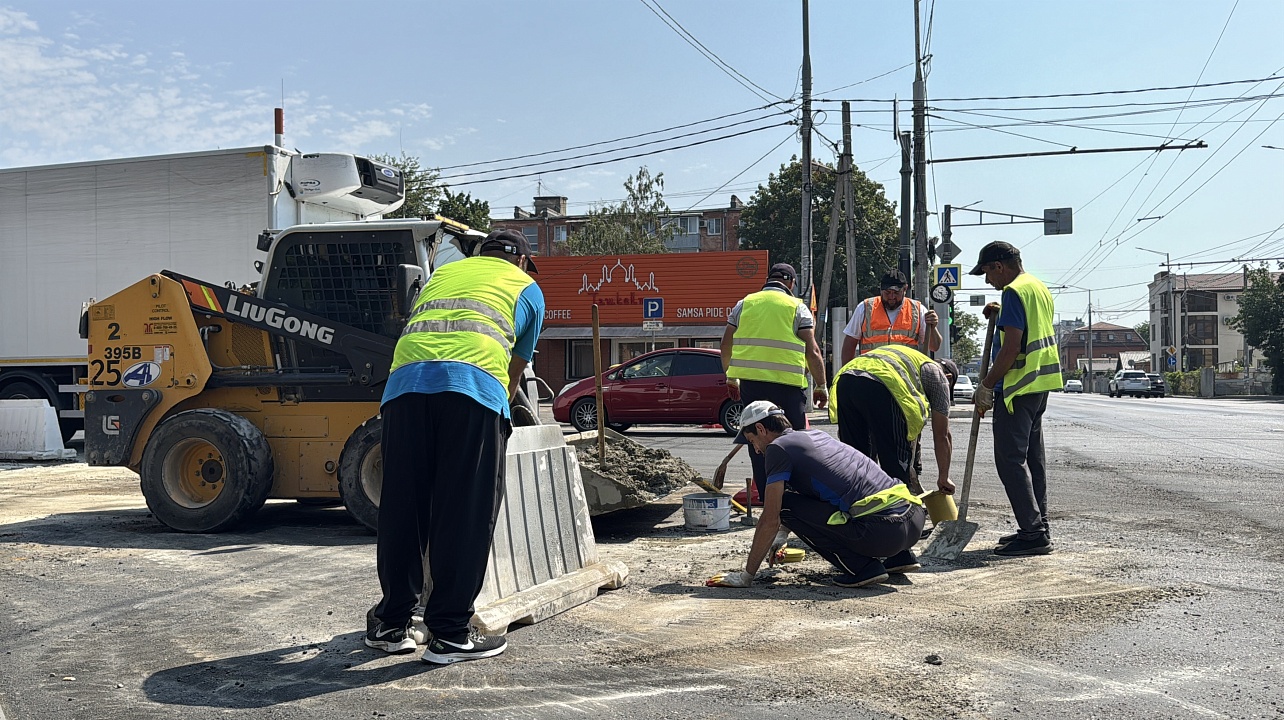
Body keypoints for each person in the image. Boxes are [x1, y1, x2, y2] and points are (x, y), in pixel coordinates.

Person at [367, 228, 545, 664]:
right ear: (521, 261)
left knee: (403, 506)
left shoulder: (443, 274)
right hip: (472, 388)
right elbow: (513, 372)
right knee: (465, 509)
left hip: (404, 389)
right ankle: (449, 632)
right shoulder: (528, 289)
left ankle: (392, 624)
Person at [706, 401, 926, 589]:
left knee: (784, 506)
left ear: (761, 429)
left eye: (752, 441)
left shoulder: (777, 449)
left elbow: (771, 516)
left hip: (882, 531)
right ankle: (899, 557)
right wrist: (782, 536)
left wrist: (746, 576)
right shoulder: (815, 436)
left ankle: (863, 568)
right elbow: (820, 497)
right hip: (911, 521)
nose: (755, 450)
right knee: (811, 502)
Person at [969, 241, 1062, 557]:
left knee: (1010, 460)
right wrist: (1001, 312)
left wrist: (987, 384)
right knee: (1032, 460)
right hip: (1039, 385)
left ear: (998, 266)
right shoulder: (1036, 286)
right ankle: (1038, 527)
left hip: (1018, 389)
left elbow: (1011, 350)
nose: (987, 282)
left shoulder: (1012, 293)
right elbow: (1027, 326)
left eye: (986, 273)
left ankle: (1033, 533)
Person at [719, 263, 828, 496]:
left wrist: (731, 377)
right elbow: (813, 350)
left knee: (757, 441)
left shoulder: (744, 304)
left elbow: (726, 343)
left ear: (769, 280)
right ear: (791, 283)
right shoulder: (797, 308)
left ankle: (768, 498)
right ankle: (795, 497)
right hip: (788, 387)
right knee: (795, 443)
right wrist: (821, 385)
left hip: (753, 387)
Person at [830, 345, 956, 498]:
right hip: (883, 385)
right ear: (948, 377)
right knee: (894, 463)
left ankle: (857, 510)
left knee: (856, 460)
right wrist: (944, 477)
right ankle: (897, 512)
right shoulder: (939, 377)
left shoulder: (908, 359)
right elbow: (942, 434)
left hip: (846, 379)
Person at [839, 270, 941, 365]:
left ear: (905, 289)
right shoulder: (865, 308)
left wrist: (933, 327)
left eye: (896, 293)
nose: (892, 297)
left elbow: (934, 346)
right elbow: (850, 343)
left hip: (904, 374)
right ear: (881, 290)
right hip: (871, 373)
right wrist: (846, 373)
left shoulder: (918, 310)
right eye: (887, 293)